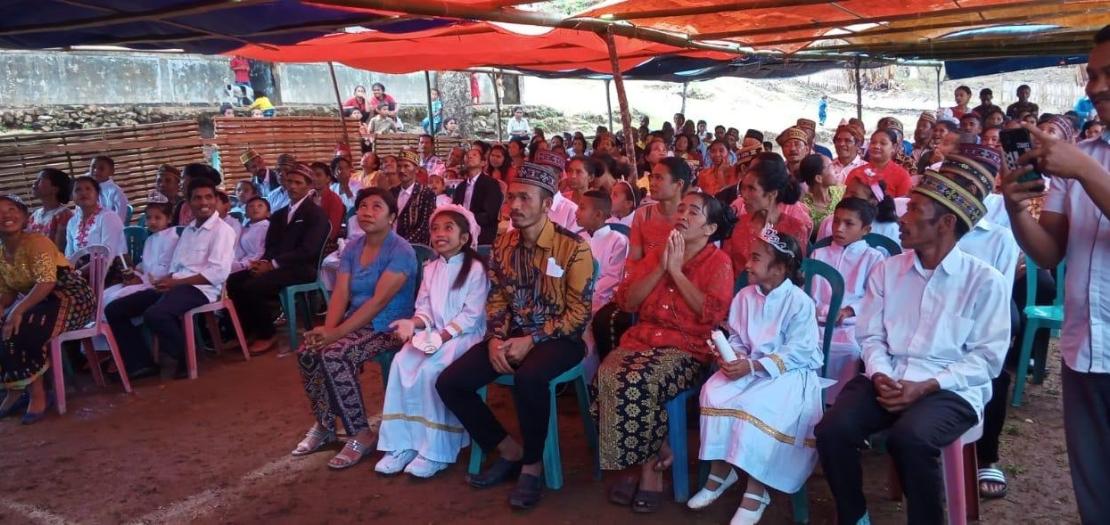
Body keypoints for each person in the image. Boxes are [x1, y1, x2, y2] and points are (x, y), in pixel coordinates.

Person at [816, 145, 1010, 525]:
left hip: (950, 389)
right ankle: (854, 516)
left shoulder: (984, 281)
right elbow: (870, 336)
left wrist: (926, 387)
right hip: (888, 376)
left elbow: (986, 359)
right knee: (832, 429)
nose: (902, 217)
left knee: (911, 439)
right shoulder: (888, 270)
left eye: (916, 210)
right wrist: (881, 374)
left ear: (946, 224)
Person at [435, 160, 593, 510]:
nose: (515, 206)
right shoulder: (504, 245)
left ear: (547, 204)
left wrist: (532, 340)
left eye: (525, 198)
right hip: (513, 333)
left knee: (530, 378)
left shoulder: (574, 248)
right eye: (512, 198)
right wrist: (494, 338)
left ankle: (533, 467)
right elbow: (497, 298)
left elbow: (579, 314)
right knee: (451, 382)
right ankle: (510, 450)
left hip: (560, 339)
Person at [1000, 26, 1110, 522]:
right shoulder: (1081, 159)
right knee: (1095, 490)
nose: (1096, 86)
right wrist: (1017, 209)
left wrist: (1085, 172)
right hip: (1086, 351)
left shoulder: (1082, 165)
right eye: (1092, 75)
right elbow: (1047, 253)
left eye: (1109, 74)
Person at [596, 192, 734, 513]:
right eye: (681, 208)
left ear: (710, 228)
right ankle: (656, 451)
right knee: (608, 373)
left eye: (694, 212)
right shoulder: (659, 253)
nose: (683, 214)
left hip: (687, 347)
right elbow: (628, 302)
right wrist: (662, 266)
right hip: (642, 339)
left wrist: (677, 272)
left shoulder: (719, 263)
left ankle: (648, 473)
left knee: (641, 381)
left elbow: (710, 314)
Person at [691, 226, 820, 524]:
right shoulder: (746, 296)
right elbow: (738, 338)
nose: (747, 264)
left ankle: (757, 488)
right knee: (714, 390)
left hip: (788, 373)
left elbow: (799, 352)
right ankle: (722, 472)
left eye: (756, 258)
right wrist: (730, 354)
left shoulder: (799, 303)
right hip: (750, 366)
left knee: (758, 405)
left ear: (779, 268)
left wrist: (753, 367)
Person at [290, 188, 418, 469]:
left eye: (376, 207)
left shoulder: (401, 251)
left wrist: (335, 335)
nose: (367, 212)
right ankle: (324, 424)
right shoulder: (353, 246)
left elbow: (377, 302)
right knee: (308, 351)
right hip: (356, 320)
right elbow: (340, 293)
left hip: (388, 326)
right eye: (362, 206)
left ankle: (360, 431)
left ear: (392, 217)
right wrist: (327, 329)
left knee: (336, 354)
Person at [376, 206, 489, 478]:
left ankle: (436, 450)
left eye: (448, 228)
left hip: (463, 337)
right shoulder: (430, 268)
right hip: (434, 334)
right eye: (435, 228)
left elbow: (471, 316)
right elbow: (424, 309)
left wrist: (441, 337)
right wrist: (412, 324)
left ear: (464, 237)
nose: (439, 233)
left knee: (430, 371)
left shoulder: (475, 269)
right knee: (402, 363)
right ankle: (403, 444)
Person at [105, 177, 236, 380]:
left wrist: (174, 283)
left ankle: (186, 357)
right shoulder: (189, 230)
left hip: (202, 289)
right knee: (114, 309)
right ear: (188, 202)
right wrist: (162, 281)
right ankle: (141, 364)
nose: (204, 203)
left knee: (155, 314)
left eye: (209, 197)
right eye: (197, 198)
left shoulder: (223, 231)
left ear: (216, 199)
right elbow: (176, 267)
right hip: (177, 285)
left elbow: (217, 273)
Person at [0, 195, 93, 423]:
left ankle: (38, 394)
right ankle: (15, 388)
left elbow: (47, 282)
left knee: (25, 326)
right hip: (39, 301)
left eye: (12, 209)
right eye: (0, 212)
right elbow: (8, 291)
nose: (6, 215)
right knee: (6, 325)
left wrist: (17, 310)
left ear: (24, 215)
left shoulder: (37, 242)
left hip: (71, 297)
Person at [228, 163, 330, 356]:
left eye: (298, 183)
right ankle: (250, 330)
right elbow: (271, 246)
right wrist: (264, 262)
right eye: (289, 181)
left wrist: (273, 265)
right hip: (277, 267)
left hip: (302, 269)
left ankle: (267, 334)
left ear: (308, 186)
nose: (292, 186)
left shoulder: (315, 214)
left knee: (253, 286)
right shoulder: (280, 214)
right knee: (234, 281)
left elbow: (308, 250)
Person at [810, 198, 885, 402]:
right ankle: (809, 400)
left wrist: (849, 310)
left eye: (849, 223)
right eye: (836, 221)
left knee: (851, 350)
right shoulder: (820, 253)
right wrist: (820, 311)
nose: (839, 228)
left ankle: (838, 402)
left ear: (865, 229)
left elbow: (874, 296)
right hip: (817, 321)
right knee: (806, 345)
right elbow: (810, 292)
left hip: (851, 325)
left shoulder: (873, 258)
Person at [723, 155, 808, 279]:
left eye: (751, 189)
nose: (744, 195)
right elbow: (727, 270)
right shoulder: (737, 225)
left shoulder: (796, 229)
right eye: (743, 188)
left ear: (772, 194)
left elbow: (795, 274)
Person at [103, 199, 179, 306]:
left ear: (169, 218)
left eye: (157, 218)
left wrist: (140, 279)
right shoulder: (150, 239)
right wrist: (133, 273)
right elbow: (145, 265)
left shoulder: (172, 239)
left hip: (157, 285)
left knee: (115, 299)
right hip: (144, 281)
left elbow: (163, 270)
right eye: (148, 218)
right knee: (105, 294)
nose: (152, 221)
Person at [575, 190, 628, 318]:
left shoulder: (617, 240)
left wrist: (585, 292)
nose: (576, 212)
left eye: (582, 208)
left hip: (600, 302)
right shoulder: (577, 238)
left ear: (598, 215)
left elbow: (613, 278)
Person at [818, 169, 902, 250]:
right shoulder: (829, 222)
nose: (846, 197)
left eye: (854, 195)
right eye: (846, 192)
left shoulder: (890, 229)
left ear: (873, 202)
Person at [452, 143, 503, 246]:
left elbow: (490, 215)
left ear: (483, 163)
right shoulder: (460, 187)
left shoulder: (491, 184)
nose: (470, 157)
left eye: (474, 155)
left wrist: (468, 220)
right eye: (467, 156)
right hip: (461, 232)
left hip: (482, 233)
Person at [65, 176, 126, 260]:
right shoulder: (72, 222)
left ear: (97, 194)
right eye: (78, 190)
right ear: (72, 197)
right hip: (80, 271)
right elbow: (69, 256)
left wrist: (79, 271)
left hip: (110, 269)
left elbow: (108, 255)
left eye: (88, 189)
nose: (83, 193)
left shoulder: (108, 217)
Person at [392, 149, 438, 246]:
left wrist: (404, 244)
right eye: (399, 166)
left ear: (416, 169)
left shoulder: (426, 193)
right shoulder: (392, 192)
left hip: (416, 247)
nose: (402, 170)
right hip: (390, 244)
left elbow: (425, 225)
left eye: (406, 166)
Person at [848, 130, 913, 198]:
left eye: (883, 143)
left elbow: (902, 205)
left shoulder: (902, 176)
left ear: (894, 147)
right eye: (873, 142)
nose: (876, 146)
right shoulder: (855, 173)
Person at [28, 168, 74, 253]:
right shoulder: (35, 215)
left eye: (40, 180)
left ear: (55, 189)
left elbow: (59, 251)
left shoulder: (64, 215)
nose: (35, 182)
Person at [800, 153, 845, 230]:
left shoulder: (843, 192)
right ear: (818, 178)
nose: (836, 169)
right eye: (831, 166)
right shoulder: (804, 209)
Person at [230, 197, 270, 274]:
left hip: (253, 265)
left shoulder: (266, 227)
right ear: (246, 214)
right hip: (242, 262)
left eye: (260, 206)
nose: (255, 208)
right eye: (251, 206)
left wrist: (244, 265)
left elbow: (261, 252)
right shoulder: (247, 228)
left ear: (268, 213)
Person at [88, 156, 129, 224]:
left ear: (111, 172)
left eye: (101, 168)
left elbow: (120, 217)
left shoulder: (116, 192)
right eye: (93, 167)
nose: (96, 170)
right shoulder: (86, 188)